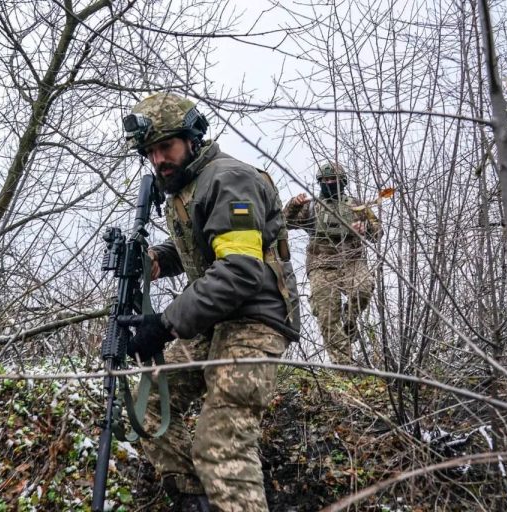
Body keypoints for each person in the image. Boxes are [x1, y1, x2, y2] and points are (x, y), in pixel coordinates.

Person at [120, 92, 300, 512]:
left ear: (193, 139)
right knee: (146, 411)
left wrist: (164, 324)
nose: (158, 159)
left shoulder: (228, 178)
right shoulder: (186, 188)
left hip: (255, 318)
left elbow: (239, 270)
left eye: (166, 147)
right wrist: (157, 261)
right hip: (215, 319)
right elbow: (205, 248)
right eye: (150, 152)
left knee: (220, 444)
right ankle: (196, 499)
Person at [283, 162, 381, 365]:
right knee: (327, 315)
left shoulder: (357, 205)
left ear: (342, 182)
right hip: (321, 264)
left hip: (351, 260)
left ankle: (349, 322)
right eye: (324, 180)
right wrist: (293, 204)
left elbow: (378, 232)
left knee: (362, 289)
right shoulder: (311, 207)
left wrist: (365, 228)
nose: (328, 183)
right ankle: (345, 367)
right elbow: (284, 223)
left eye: (332, 180)